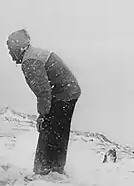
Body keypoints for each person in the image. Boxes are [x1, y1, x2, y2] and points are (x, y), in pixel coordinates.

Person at [6, 29, 82, 175]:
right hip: (67, 92)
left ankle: (45, 171)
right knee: (58, 132)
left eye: (10, 50)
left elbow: (43, 91)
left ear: (18, 48)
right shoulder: (33, 54)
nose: (10, 54)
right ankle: (55, 168)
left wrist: (42, 115)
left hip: (63, 95)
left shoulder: (30, 61)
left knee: (49, 131)